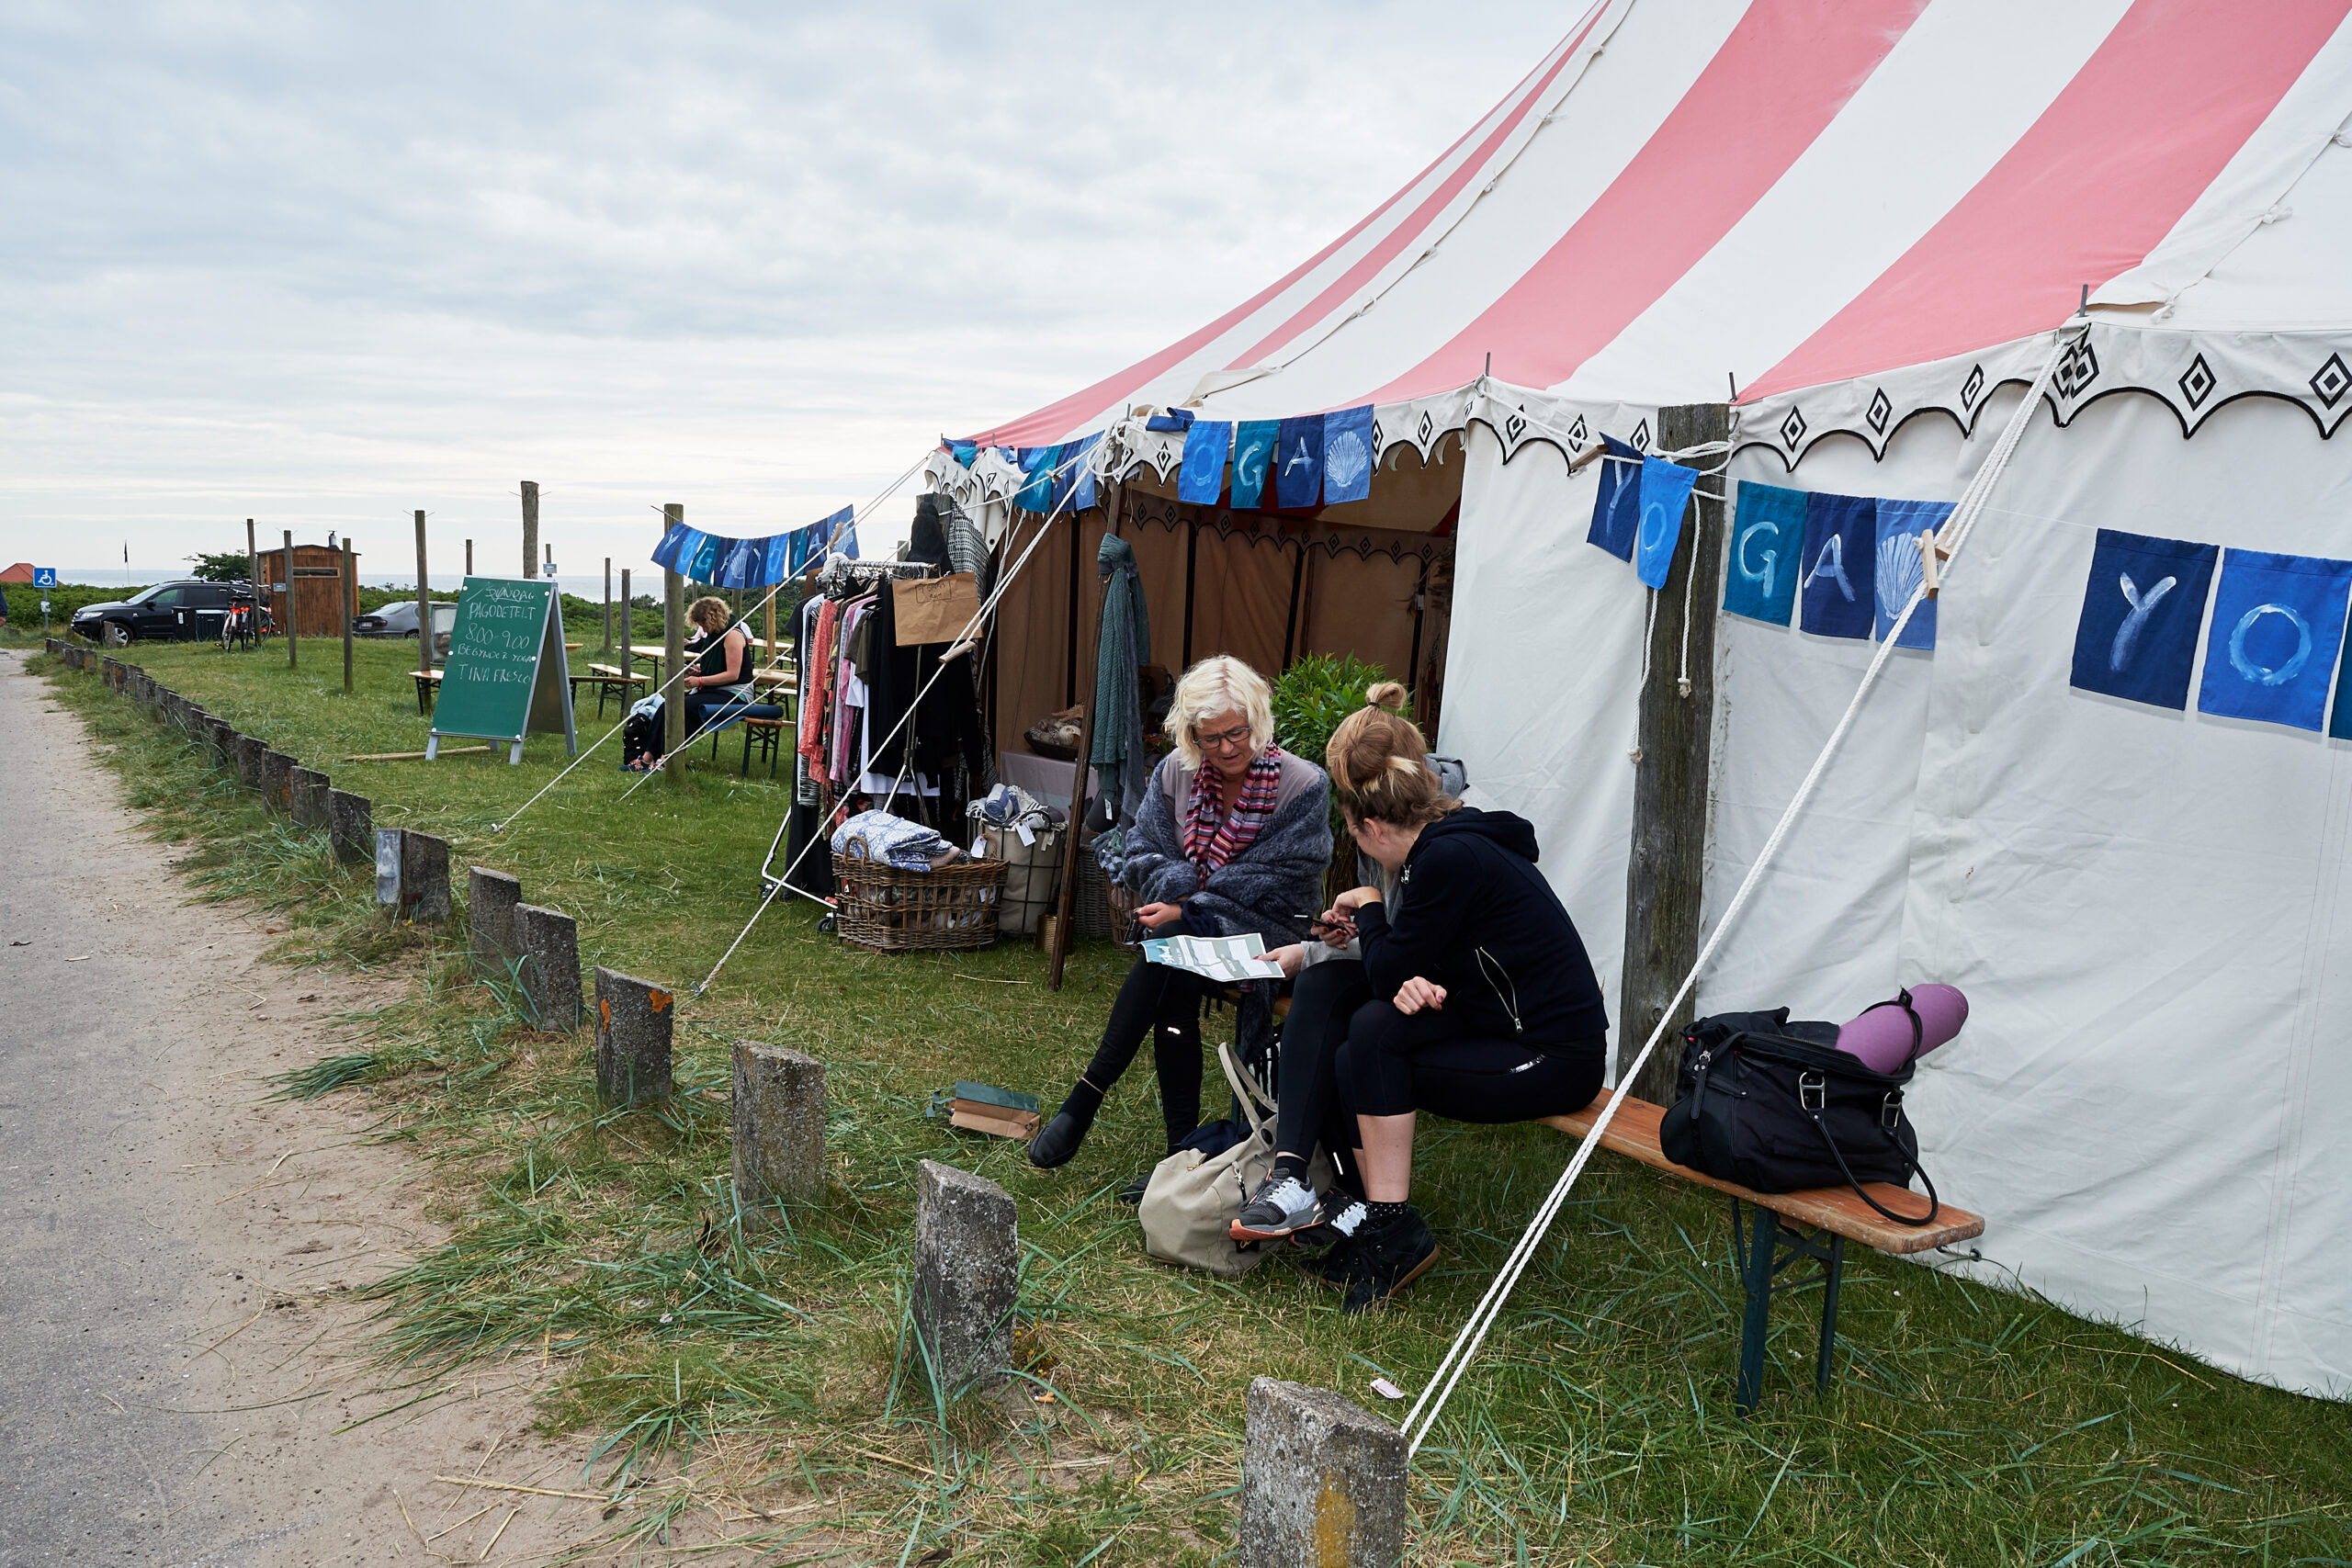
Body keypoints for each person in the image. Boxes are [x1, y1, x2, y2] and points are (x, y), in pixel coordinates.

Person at [1250, 687, 1609, 1313]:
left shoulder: (1445, 859)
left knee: (1373, 1037)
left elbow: (1393, 964)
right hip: (1487, 1017)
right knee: (1347, 1009)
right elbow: (1411, 961)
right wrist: (1382, 952)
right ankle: (1330, 1192)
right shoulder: (1440, 845)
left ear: (1372, 826)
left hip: (1552, 1054)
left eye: (1356, 837)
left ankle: (1392, 1228)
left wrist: (1366, 912)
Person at [1029, 655, 1331, 1172]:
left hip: (1275, 933)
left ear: (1258, 720)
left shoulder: (1303, 784)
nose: (1227, 748)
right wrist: (1186, 901)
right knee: (1176, 962)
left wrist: (1189, 902)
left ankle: (1088, 1099)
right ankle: (1180, 1152)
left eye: (1237, 733)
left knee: (1171, 939)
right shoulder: (1178, 770)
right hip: (1194, 928)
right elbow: (1142, 847)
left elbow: (1282, 881)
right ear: (1191, 734)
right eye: (1210, 738)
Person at [628, 596, 752, 770]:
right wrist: (699, 670)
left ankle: (666, 758)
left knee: (685, 707)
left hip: (735, 693)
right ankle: (648, 757)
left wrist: (699, 680)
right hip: (715, 690)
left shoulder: (733, 635)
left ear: (713, 619)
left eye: (703, 624)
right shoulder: (714, 635)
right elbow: (718, 667)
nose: (703, 628)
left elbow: (732, 674)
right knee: (668, 705)